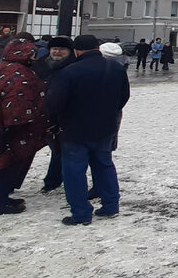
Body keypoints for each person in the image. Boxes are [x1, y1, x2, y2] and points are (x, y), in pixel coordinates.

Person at [48, 35, 130, 225]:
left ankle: (81, 213)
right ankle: (110, 205)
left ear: (76, 51)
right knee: (104, 164)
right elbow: (124, 97)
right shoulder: (115, 68)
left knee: (74, 171)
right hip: (105, 127)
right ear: (98, 48)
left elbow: (54, 104)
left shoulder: (70, 72)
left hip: (75, 129)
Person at [0, 39, 50, 216]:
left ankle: (0, 198)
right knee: (6, 164)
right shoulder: (20, 74)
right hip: (11, 129)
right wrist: (23, 124)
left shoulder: (1, 68)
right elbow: (17, 104)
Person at [33, 36, 76, 194]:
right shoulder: (39, 65)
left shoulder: (72, 67)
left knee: (60, 149)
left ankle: (53, 180)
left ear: (69, 51)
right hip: (40, 112)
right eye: (54, 49)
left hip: (62, 114)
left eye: (62, 49)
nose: (57, 52)